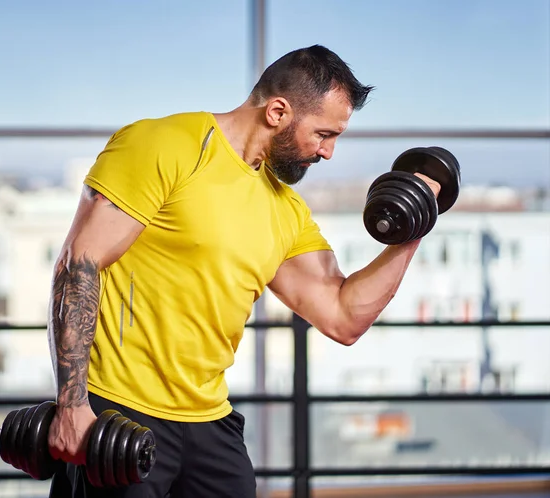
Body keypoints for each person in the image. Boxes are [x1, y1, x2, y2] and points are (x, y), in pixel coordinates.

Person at [46, 44, 441, 498]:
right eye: (323, 134)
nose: (328, 152)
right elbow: (78, 264)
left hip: (208, 420)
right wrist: (72, 405)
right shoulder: (165, 145)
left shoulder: (285, 209)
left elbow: (343, 316)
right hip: (120, 411)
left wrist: (417, 223)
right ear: (278, 111)